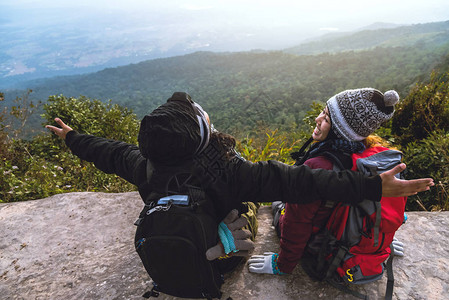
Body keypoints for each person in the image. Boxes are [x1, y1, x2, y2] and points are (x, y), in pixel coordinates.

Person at [46, 92, 432, 269]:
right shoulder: (233, 172)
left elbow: (108, 151)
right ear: (199, 133)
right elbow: (304, 184)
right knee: (250, 208)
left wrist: (72, 138)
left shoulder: (142, 164)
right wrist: (370, 187)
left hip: (174, 247)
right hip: (223, 255)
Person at [248, 88, 410, 275]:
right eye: (323, 112)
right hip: (352, 239)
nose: (318, 119)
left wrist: (282, 264)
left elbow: (296, 223)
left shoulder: (318, 166)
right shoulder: (375, 159)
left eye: (326, 118)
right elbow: (390, 207)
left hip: (324, 245)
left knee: (278, 201)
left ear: (340, 130)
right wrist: (381, 241)